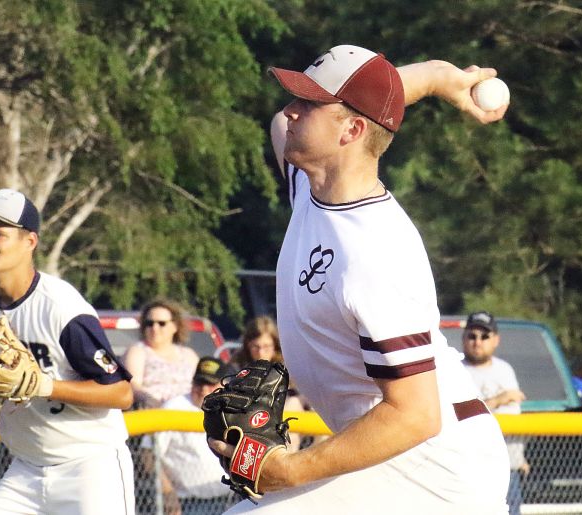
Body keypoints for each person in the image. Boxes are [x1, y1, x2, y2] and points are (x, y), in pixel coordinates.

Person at [208, 44, 510, 513]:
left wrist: (291, 469)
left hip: (438, 465)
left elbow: (415, 415)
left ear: (351, 130)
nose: (289, 111)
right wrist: (429, 77)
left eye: (307, 103)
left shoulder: (375, 252)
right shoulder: (311, 190)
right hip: (397, 452)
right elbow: (284, 123)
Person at [0, 188, 135, 514]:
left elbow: (120, 393)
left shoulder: (60, 306)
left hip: (90, 464)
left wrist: (44, 386)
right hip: (26, 469)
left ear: (29, 242)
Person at [461, 311, 530, 515]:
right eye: (472, 336)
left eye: (484, 336)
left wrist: (520, 457)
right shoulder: (456, 370)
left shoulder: (505, 370)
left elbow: (514, 411)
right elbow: (459, 414)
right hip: (471, 466)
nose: (477, 342)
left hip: (508, 466)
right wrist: (498, 400)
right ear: (464, 339)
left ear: (496, 340)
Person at [152, 357, 234, 515]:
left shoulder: (229, 408)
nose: (203, 389)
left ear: (222, 385)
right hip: (187, 504)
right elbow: (149, 455)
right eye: (199, 383)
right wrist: (167, 492)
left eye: (210, 384)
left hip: (229, 499)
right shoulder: (173, 408)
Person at [230, 315, 306, 449]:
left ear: (275, 345)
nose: (260, 353)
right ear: (248, 345)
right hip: (249, 419)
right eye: (255, 347)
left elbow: (303, 397)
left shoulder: (286, 367)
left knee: (294, 404)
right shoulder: (238, 366)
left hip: (282, 421)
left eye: (266, 347)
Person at [123, 298, 200, 408]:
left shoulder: (188, 354)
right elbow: (132, 384)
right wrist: (148, 399)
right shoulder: (138, 351)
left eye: (161, 323)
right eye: (150, 323)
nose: (155, 328)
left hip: (190, 414)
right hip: (156, 414)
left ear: (175, 326)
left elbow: (202, 384)